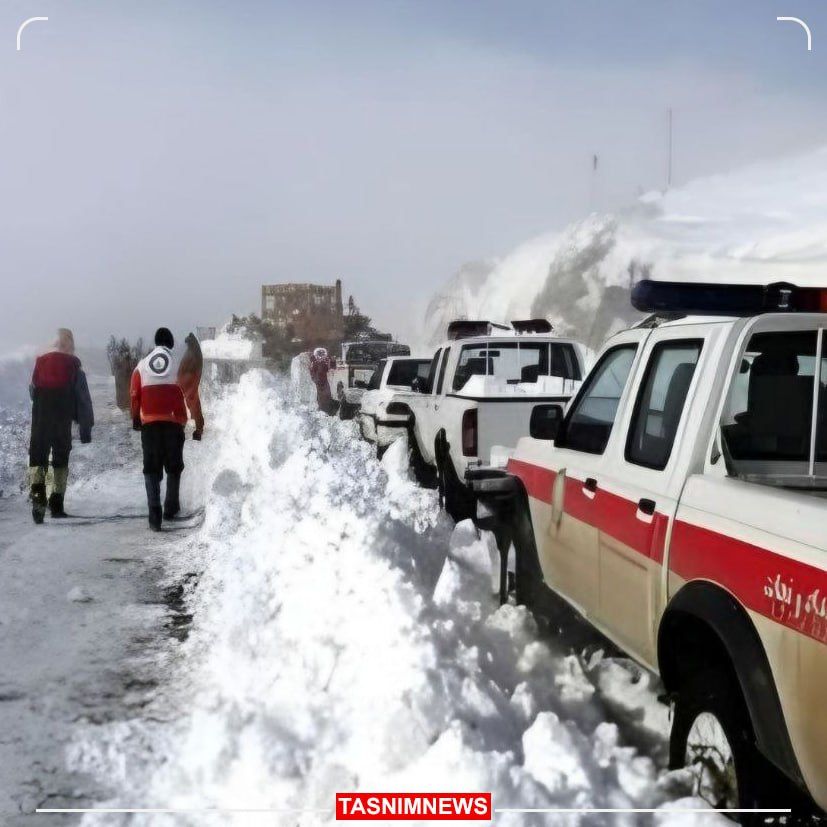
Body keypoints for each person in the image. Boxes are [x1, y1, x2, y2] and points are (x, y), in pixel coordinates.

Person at [130, 328, 203, 531]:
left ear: (155, 343)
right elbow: (191, 396)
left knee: (151, 467)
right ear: (171, 344)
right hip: (173, 422)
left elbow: (134, 394)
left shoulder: (141, 366)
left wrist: (136, 418)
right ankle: (171, 507)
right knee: (174, 466)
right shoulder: (179, 364)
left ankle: (154, 513)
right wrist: (199, 425)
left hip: (150, 424)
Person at [28, 328, 94, 523]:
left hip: (41, 419)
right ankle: (57, 505)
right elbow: (83, 400)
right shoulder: (74, 367)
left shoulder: (40, 363)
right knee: (60, 461)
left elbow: (33, 392)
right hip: (61, 420)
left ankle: (38, 505)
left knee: (38, 460)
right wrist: (85, 428)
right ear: (70, 345)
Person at [309, 347, 334, 413]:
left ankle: (327, 408)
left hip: (324, 381)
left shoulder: (324, 362)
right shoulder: (314, 363)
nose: (320, 357)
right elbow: (312, 373)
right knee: (320, 396)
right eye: (319, 355)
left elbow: (328, 369)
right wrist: (315, 380)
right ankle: (321, 409)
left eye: (322, 355)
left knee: (327, 394)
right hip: (318, 382)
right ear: (316, 356)